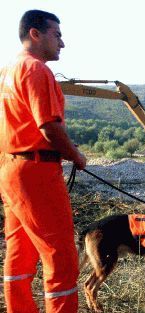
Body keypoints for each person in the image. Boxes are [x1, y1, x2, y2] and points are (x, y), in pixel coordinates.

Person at [0, 10, 86, 313]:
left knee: (19, 253)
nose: (62, 43)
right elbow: (48, 126)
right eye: (57, 35)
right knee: (60, 257)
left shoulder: (8, 70)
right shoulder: (36, 70)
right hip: (36, 171)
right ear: (35, 34)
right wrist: (76, 155)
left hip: (10, 169)